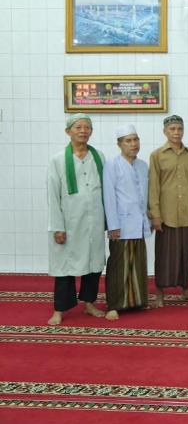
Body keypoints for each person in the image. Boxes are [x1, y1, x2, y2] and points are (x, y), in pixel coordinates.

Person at [46, 113, 106, 325]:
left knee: (94, 263)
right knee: (65, 267)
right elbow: (52, 195)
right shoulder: (58, 159)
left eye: (87, 127)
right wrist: (57, 227)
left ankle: (89, 304)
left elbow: (105, 191)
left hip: (95, 221)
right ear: (68, 131)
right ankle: (59, 309)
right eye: (78, 127)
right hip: (70, 223)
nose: (83, 131)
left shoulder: (98, 156)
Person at [148, 115, 188, 308]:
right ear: (165, 131)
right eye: (172, 129)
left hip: (187, 213)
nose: (176, 132)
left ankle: (185, 289)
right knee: (163, 254)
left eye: (179, 129)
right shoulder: (157, 155)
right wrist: (155, 214)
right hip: (165, 215)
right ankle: (160, 293)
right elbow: (153, 187)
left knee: (185, 253)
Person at [102, 124, 150, 321]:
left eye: (136, 139)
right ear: (119, 144)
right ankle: (114, 305)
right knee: (118, 266)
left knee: (137, 264)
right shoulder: (112, 165)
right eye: (128, 141)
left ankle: (135, 301)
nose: (133, 144)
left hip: (138, 223)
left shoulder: (142, 165)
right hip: (120, 224)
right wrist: (113, 225)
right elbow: (109, 196)